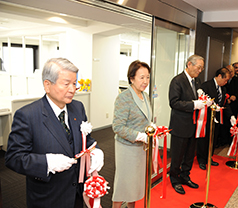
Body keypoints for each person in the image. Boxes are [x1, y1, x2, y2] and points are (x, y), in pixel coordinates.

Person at [5, 58, 104, 208]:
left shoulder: (78, 107)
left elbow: (86, 140)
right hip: (48, 197)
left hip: (77, 194)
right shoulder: (28, 115)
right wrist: (47, 163)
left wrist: (95, 151)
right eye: (66, 84)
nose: (72, 89)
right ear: (47, 85)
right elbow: (13, 158)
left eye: (74, 83)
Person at [112, 60, 152, 208]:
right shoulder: (124, 98)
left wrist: (152, 127)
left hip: (141, 148)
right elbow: (117, 126)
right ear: (131, 78)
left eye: (147, 77)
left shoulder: (145, 96)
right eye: (141, 77)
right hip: (127, 148)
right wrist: (139, 136)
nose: (145, 81)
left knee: (135, 184)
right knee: (123, 184)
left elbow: (146, 119)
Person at [168, 55, 205, 195]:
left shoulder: (197, 81)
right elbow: (174, 102)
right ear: (189, 64)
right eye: (198, 67)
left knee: (189, 154)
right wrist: (194, 104)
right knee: (177, 155)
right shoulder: (177, 81)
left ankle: (185, 176)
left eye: (201, 68)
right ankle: (175, 179)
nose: (200, 70)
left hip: (194, 124)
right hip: (180, 125)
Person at [197, 68, 236, 168]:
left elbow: (224, 104)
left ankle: (209, 157)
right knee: (204, 139)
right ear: (219, 76)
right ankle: (201, 159)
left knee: (213, 138)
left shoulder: (223, 88)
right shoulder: (206, 86)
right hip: (206, 117)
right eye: (225, 79)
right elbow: (202, 102)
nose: (226, 82)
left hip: (217, 118)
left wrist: (231, 115)